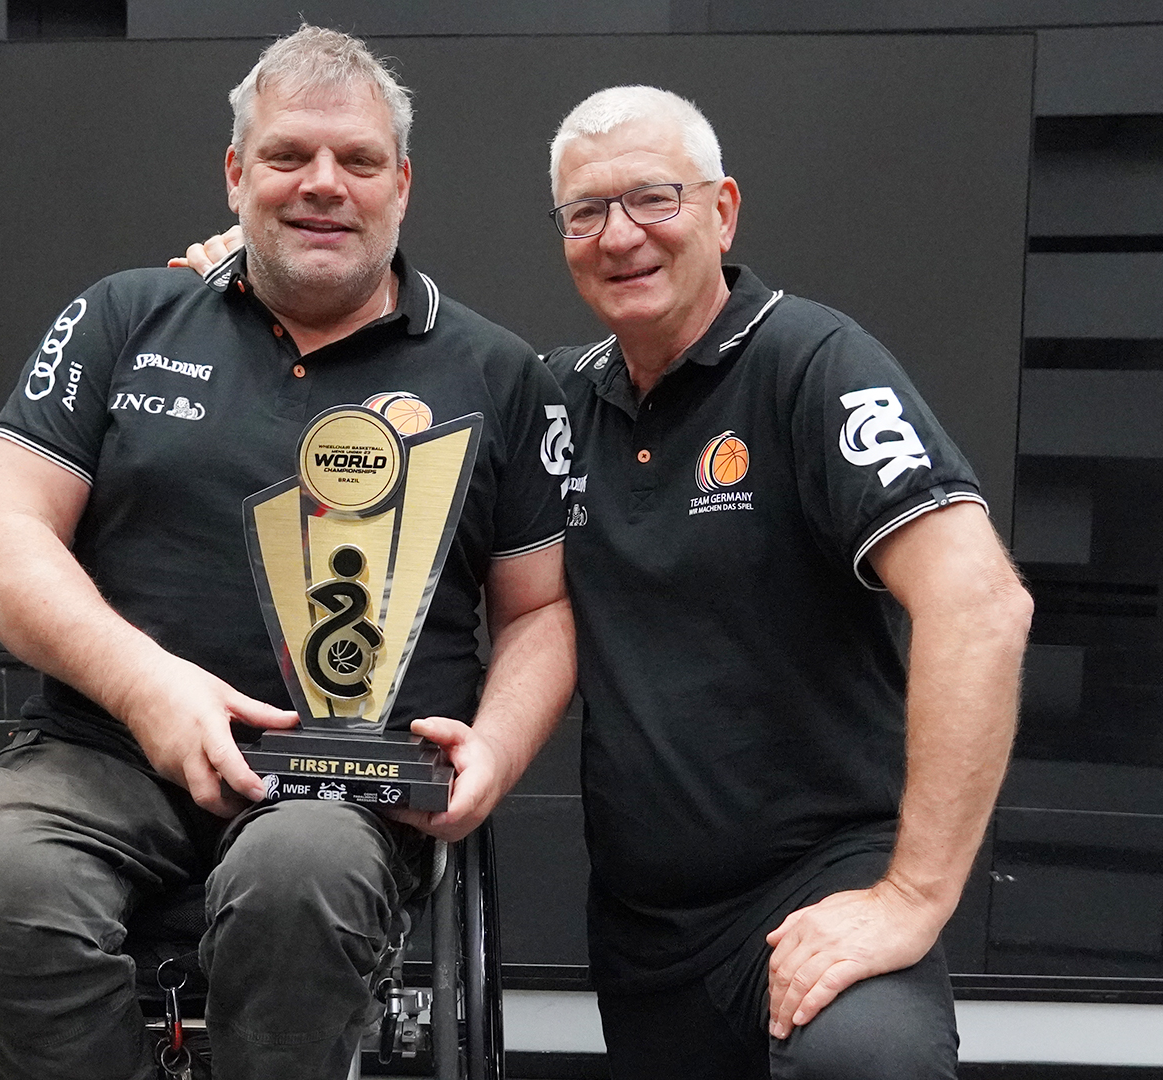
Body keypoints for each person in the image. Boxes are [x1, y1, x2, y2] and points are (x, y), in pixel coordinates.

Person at [181, 84, 1030, 1080]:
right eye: (587, 212)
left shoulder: (814, 364)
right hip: (645, 932)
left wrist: (914, 899)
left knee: (863, 1064)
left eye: (654, 199)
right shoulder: (557, 397)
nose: (620, 235)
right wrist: (243, 285)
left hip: (818, 887)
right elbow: (385, 387)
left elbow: (981, 606)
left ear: (723, 211)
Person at [0, 27, 576, 1080]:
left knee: (299, 878)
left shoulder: (499, 374)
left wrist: (495, 755)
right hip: (100, 756)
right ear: (237, 174)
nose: (324, 184)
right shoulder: (122, 316)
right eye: (288, 156)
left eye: (358, 161)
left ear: (401, 185)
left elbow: (544, 610)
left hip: (349, 782)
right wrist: (150, 692)